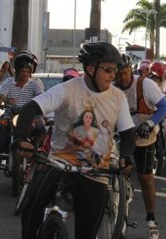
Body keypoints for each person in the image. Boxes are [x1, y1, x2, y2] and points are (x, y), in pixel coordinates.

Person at [15, 42, 136, 239]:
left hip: (95, 171)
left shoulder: (118, 98)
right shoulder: (67, 89)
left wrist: (127, 156)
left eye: (114, 70)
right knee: (31, 208)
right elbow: (30, 109)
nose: (113, 76)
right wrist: (21, 138)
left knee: (87, 231)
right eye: (108, 70)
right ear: (90, 69)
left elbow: (128, 133)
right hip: (58, 163)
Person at [114, 55, 166, 239]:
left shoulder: (145, 85)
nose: (122, 78)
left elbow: (164, 107)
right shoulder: (111, 87)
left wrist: (151, 123)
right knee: (111, 175)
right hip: (121, 137)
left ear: (131, 70)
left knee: (146, 179)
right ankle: (115, 214)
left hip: (143, 137)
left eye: (125, 73)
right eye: (119, 74)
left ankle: (151, 219)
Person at [0, 50, 43, 190]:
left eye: (28, 71)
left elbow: (42, 98)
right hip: (10, 117)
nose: (25, 74)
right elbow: (1, 97)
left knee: (42, 128)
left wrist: (40, 109)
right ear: (16, 70)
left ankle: (34, 148)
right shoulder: (7, 83)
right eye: (22, 71)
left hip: (30, 119)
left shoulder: (35, 84)